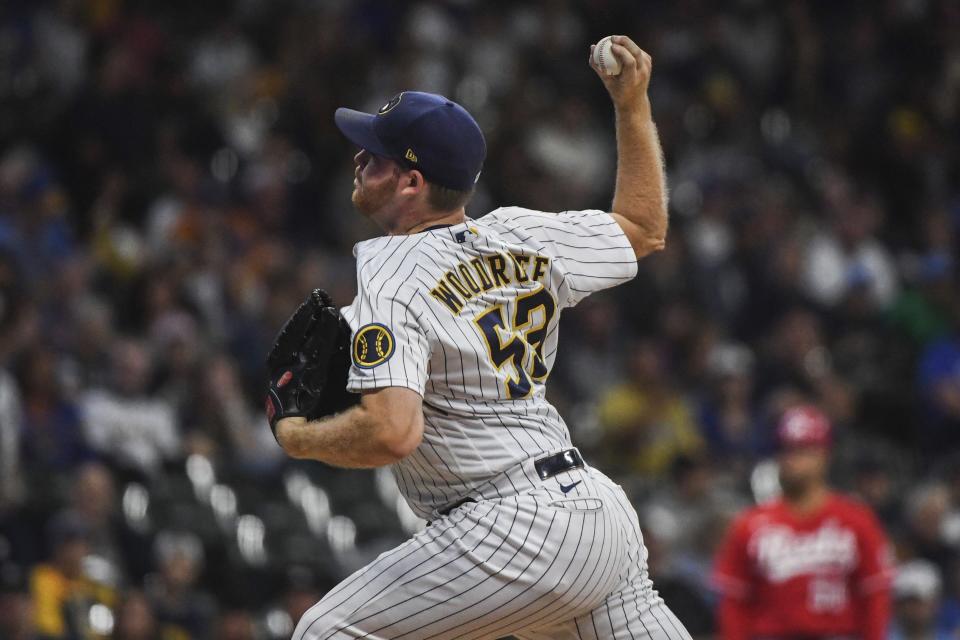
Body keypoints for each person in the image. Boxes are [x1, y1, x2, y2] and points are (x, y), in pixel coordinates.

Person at [271, 35, 692, 639]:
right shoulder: (522, 232)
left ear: (412, 183)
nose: (359, 160)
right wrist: (632, 105)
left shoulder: (390, 268)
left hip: (508, 524)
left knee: (328, 631)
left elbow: (393, 431)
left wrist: (301, 437)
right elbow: (644, 227)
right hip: (598, 515)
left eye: (375, 156)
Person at [712, 405, 893, 640]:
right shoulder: (750, 524)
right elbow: (733, 604)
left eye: (803, 450)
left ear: (825, 455)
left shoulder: (856, 519)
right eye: (786, 449)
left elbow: (875, 596)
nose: (792, 459)